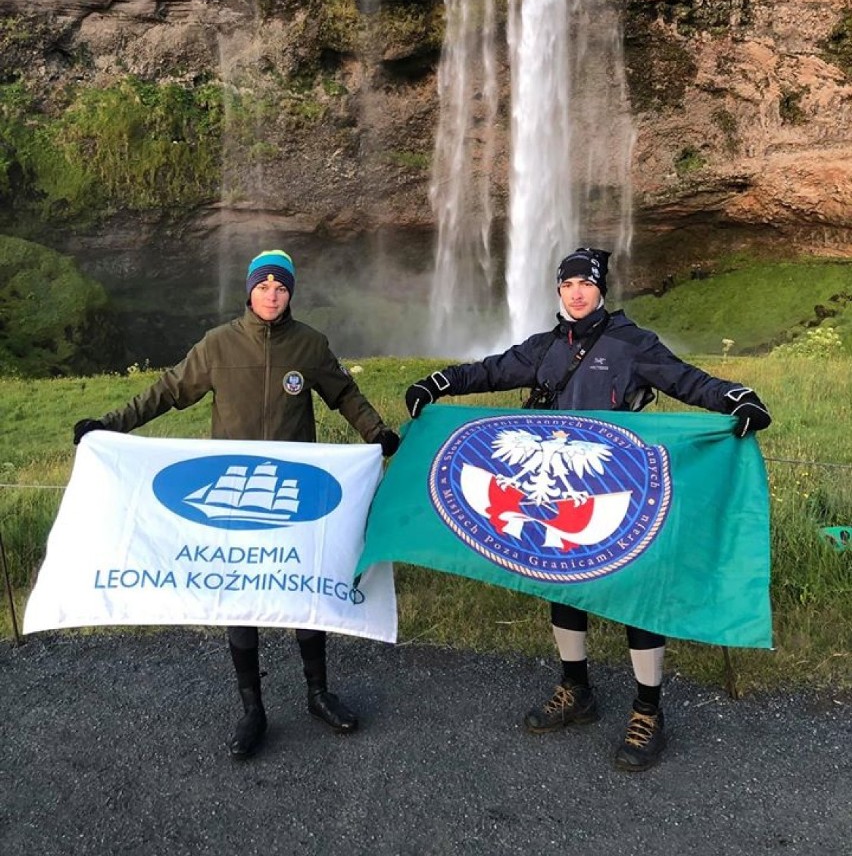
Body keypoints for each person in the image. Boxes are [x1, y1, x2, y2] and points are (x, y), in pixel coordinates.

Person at [404, 246, 771, 773]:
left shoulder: (631, 344)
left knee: (635, 593)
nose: (576, 292)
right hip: (558, 493)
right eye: (567, 284)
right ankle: (576, 687)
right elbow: (491, 371)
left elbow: (685, 379)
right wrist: (440, 382)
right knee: (563, 582)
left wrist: (735, 396)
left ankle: (648, 710)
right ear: (558, 291)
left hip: (618, 490)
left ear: (602, 289)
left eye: (586, 283)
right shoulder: (548, 346)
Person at [73, 248, 400, 760]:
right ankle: (253, 709)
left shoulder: (310, 345)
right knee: (240, 597)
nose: (272, 295)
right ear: (249, 290)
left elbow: (345, 394)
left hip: (296, 497)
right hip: (233, 499)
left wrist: (376, 432)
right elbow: (165, 392)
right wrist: (107, 426)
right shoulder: (218, 346)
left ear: (291, 292)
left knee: (302, 588)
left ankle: (318, 693)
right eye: (263, 286)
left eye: (282, 287)